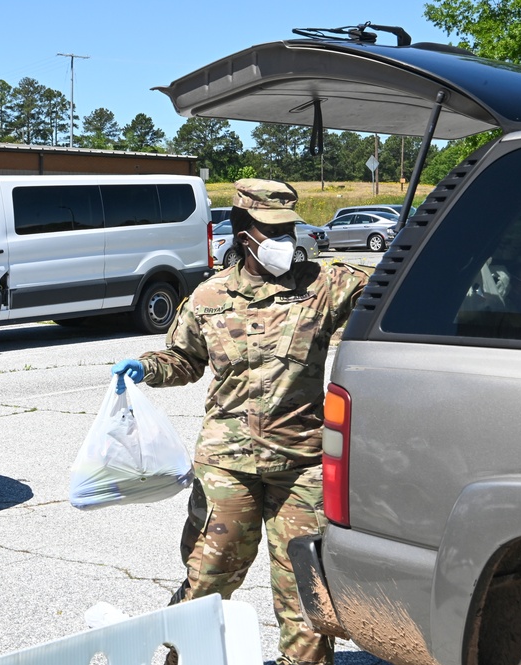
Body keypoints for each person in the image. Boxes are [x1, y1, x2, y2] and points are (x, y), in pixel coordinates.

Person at [112, 179, 370, 665]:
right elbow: (183, 359)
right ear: (242, 231)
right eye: (271, 230)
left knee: (306, 593)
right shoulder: (210, 297)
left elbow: (393, 285)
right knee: (209, 578)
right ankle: (177, 659)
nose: (284, 240)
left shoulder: (322, 286)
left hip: (301, 466)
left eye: (289, 229)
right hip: (228, 465)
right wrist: (146, 367)